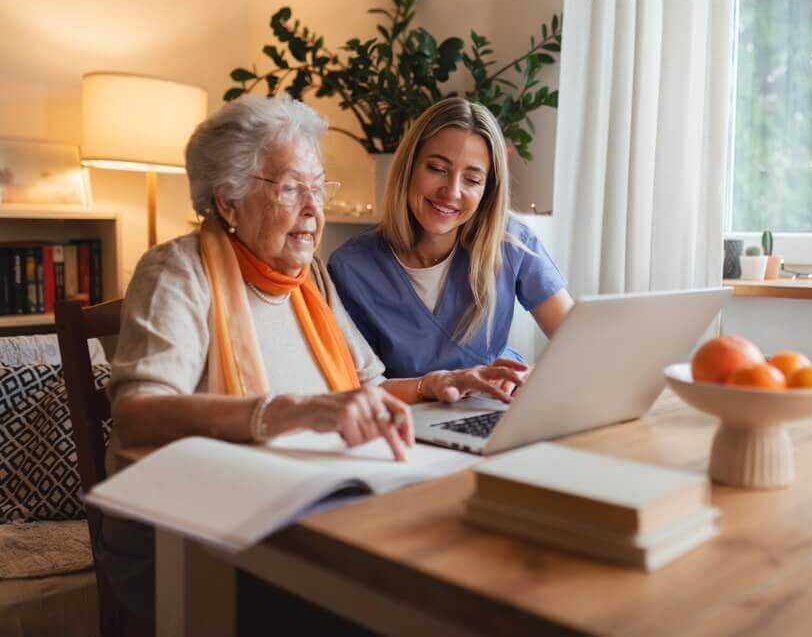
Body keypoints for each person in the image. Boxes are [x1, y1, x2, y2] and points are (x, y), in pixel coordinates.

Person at [102, 95, 526, 621]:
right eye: (290, 189)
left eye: (318, 187)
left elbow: (366, 387)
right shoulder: (178, 271)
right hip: (195, 543)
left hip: (308, 517)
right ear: (228, 202)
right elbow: (138, 412)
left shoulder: (310, 281)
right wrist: (292, 410)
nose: (313, 210)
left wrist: (439, 380)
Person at [328, 98, 574, 385]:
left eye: (472, 179)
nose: (452, 191)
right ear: (409, 167)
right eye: (437, 169)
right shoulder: (352, 268)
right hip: (408, 421)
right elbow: (357, 388)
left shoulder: (511, 243)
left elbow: (578, 344)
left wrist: (523, 378)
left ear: (487, 190)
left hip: (498, 407)